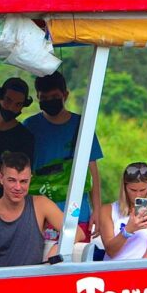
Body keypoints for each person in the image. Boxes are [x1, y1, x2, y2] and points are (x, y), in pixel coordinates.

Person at [23, 71, 102, 240]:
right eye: (44, 98)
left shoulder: (82, 125)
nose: (50, 101)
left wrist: (97, 209)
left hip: (77, 213)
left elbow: (92, 170)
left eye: (55, 96)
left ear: (65, 95)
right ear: (37, 96)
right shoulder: (30, 126)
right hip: (39, 215)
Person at [0, 151, 85, 268]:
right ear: (1, 178)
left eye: (23, 181)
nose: (18, 187)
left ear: (30, 179)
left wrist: (57, 248)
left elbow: (77, 232)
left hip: (34, 282)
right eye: (12, 180)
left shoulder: (41, 204)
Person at [100, 162, 147, 260]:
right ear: (124, 187)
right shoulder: (107, 210)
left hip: (139, 270)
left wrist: (136, 272)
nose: (138, 195)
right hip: (111, 269)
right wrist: (128, 230)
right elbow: (110, 251)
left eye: (142, 190)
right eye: (133, 190)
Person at [0, 77, 35, 201]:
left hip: (8, 205)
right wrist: (1, 169)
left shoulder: (25, 137)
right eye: (8, 100)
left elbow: (19, 178)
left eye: (18, 104)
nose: (11, 108)